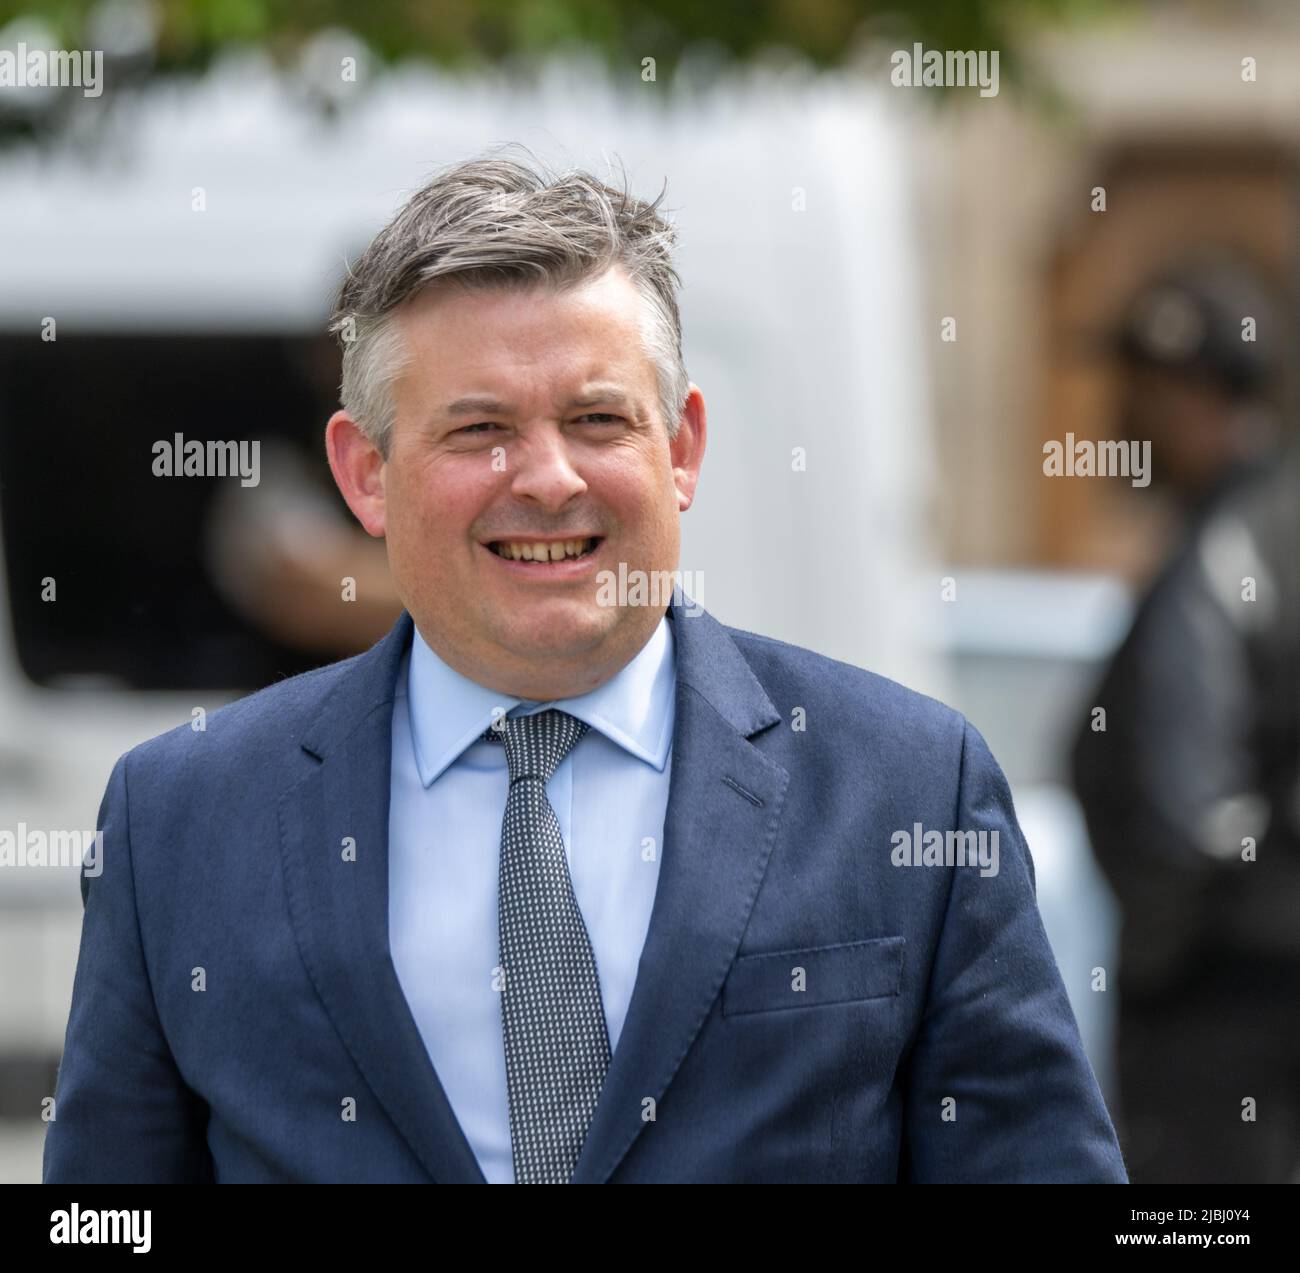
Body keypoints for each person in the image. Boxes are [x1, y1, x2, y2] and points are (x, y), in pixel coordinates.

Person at [44, 147, 1125, 1184]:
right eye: (479, 430)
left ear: (683, 447)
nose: (550, 478)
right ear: (365, 473)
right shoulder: (182, 818)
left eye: (597, 418)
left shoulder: (903, 784)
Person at [1071, 259, 1300, 1183]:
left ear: (1188, 392)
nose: (1125, 413)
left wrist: (1165, 963)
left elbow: (1194, 818)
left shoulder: (1226, 550)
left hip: (1220, 1017)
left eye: (1144, 387)